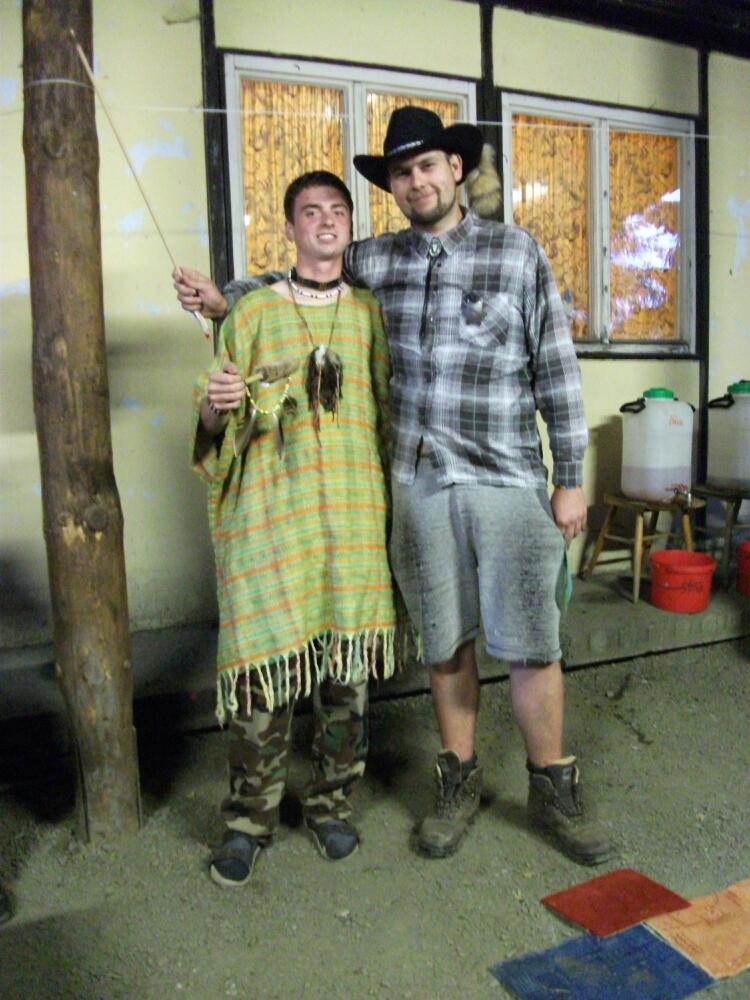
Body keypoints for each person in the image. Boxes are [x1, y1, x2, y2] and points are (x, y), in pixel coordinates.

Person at [176, 108, 613, 866]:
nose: (416, 182)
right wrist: (226, 301)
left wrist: (569, 480)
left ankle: (553, 789)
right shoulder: (375, 260)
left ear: (455, 169)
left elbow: (556, 367)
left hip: (507, 474)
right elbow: (299, 278)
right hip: (418, 482)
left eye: (427, 166)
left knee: (533, 642)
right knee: (444, 641)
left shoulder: (516, 252)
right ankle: (457, 783)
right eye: (401, 173)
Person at [190, 171, 398, 887]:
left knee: (346, 677)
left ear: (350, 225)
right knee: (262, 680)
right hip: (273, 523)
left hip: (353, 520)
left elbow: (386, 412)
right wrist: (216, 406)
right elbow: (213, 420)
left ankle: (331, 804)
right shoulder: (251, 314)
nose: (326, 221)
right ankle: (249, 821)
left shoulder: (369, 313)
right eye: (311, 212)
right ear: (289, 228)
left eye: (338, 210)